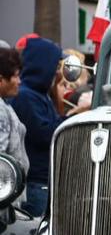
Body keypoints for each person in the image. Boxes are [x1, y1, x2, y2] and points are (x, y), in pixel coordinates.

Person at [12, 37, 65, 216]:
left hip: (45, 182)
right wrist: (73, 116)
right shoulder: (26, 97)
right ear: (44, 65)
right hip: (36, 184)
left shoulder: (40, 94)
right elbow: (44, 134)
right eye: (55, 67)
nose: (58, 72)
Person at [0, 48, 30, 181]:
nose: (19, 81)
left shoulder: (4, 104)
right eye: (16, 76)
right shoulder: (0, 110)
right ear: (1, 79)